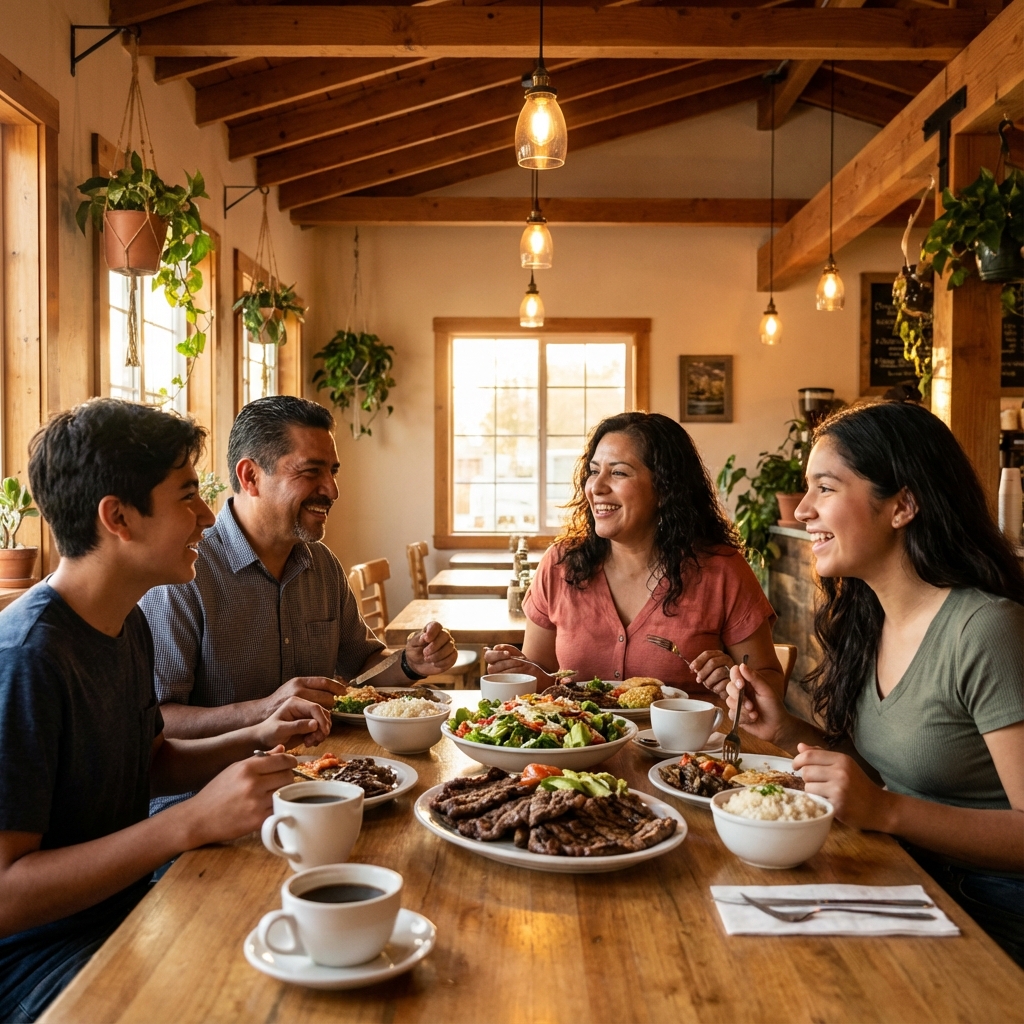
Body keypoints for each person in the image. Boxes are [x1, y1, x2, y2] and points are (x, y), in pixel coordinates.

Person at [0, 399, 332, 1023]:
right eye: (187, 496)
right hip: (37, 960)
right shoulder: (25, 658)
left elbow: (149, 763)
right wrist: (190, 824)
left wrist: (257, 735)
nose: (209, 516)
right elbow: (5, 895)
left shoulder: (125, 625)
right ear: (117, 517)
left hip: (131, 907)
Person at [724, 402, 1024, 964]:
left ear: (903, 505)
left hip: (992, 912)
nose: (804, 510)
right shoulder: (869, 616)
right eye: (806, 489)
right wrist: (787, 729)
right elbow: (877, 772)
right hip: (904, 877)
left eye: (826, 488)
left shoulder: (985, 629)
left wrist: (886, 811)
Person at [140, 397, 456, 801]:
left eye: (333, 472)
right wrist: (265, 709)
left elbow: (360, 669)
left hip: (320, 785)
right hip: (207, 808)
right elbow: (159, 721)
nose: (332, 490)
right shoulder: (183, 573)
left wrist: (410, 664)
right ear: (250, 476)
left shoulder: (322, 564)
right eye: (311, 472)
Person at [485, 412, 784, 696]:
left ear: (665, 487)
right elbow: (543, 679)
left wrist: (735, 678)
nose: (596, 487)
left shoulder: (722, 570)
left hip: (691, 750)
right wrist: (522, 672)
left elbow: (771, 683)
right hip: (584, 748)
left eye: (618, 472)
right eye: (593, 471)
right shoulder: (560, 564)